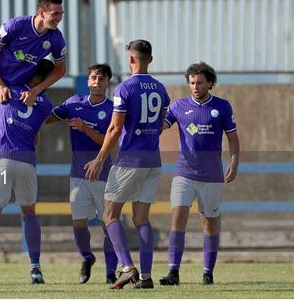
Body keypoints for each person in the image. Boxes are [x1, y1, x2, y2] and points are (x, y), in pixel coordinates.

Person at [85, 40, 170, 290]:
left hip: (129, 159)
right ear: (150, 60)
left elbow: (115, 127)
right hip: (153, 161)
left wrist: (100, 158)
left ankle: (126, 267)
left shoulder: (124, 88)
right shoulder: (161, 89)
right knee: (141, 218)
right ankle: (145, 276)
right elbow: (161, 121)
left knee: (110, 214)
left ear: (131, 59)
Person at [0, 60, 55, 286]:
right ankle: (35, 269)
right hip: (27, 161)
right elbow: (36, 137)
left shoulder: (9, 90)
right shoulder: (45, 103)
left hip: (1, 158)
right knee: (29, 213)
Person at [159, 62, 239, 286]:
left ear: (210, 83)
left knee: (209, 223)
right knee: (178, 217)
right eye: (192, 82)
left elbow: (232, 138)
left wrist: (234, 162)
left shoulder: (222, 107)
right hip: (184, 173)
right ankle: (173, 272)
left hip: (212, 175)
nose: (195, 86)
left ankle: (207, 272)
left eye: (200, 82)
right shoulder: (178, 106)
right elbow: (161, 126)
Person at [45, 64, 119, 284]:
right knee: (78, 223)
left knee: (109, 225)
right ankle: (87, 258)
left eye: (102, 79)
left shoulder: (114, 108)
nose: (97, 82)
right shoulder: (74, 103)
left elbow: (111, 142)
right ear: (88, 81)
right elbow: (49, 118)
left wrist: (87, 130)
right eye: (94, 78)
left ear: (108, 83)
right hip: (78, 175)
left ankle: (110, 272)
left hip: (105, 175)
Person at [0, 0, 67, 144]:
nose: (59, 18)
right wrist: (0, 85)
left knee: (32, 139)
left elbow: (60, 70)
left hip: (20, 87)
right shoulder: (16, 26)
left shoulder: (56, 38)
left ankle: (3, 143)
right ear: (41, 13)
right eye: (55, 14)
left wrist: (35, 90)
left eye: (61, 14)